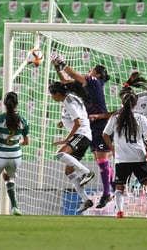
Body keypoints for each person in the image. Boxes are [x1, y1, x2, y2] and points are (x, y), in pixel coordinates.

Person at [51, 54, 113, 209]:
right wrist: (57, 68)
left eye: (92, 70)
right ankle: (88, 198)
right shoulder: (84, 88)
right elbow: (66, 81)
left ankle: (108, 192)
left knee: (101, 161)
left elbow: (71, 75)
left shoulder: (94, 82)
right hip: (90, 127)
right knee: (72, 168)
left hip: (99, 125)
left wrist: (61, 62)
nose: (89, 72)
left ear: (98, 74)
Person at [102, 85, 147, 219]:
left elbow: (105, 134)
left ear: (123, 102)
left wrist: (112, 148)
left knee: (120, 187)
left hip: (122, 158)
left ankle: (120, 212)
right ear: (135, 103)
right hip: (138, 156)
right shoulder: (140, 117)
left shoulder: (116, 117)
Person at [49, 82, 96, 213]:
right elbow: (77, 115)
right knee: (69, 171)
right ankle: (86, 199)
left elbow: (77, 122)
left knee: (59, 154)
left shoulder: (69, 101)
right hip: (83, 135)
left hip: (81, 134)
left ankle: (86, 172)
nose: (52, 97)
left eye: (52, 95)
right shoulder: (71, 98)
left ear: (57, 94)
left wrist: (66, 139)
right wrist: (63, 121)